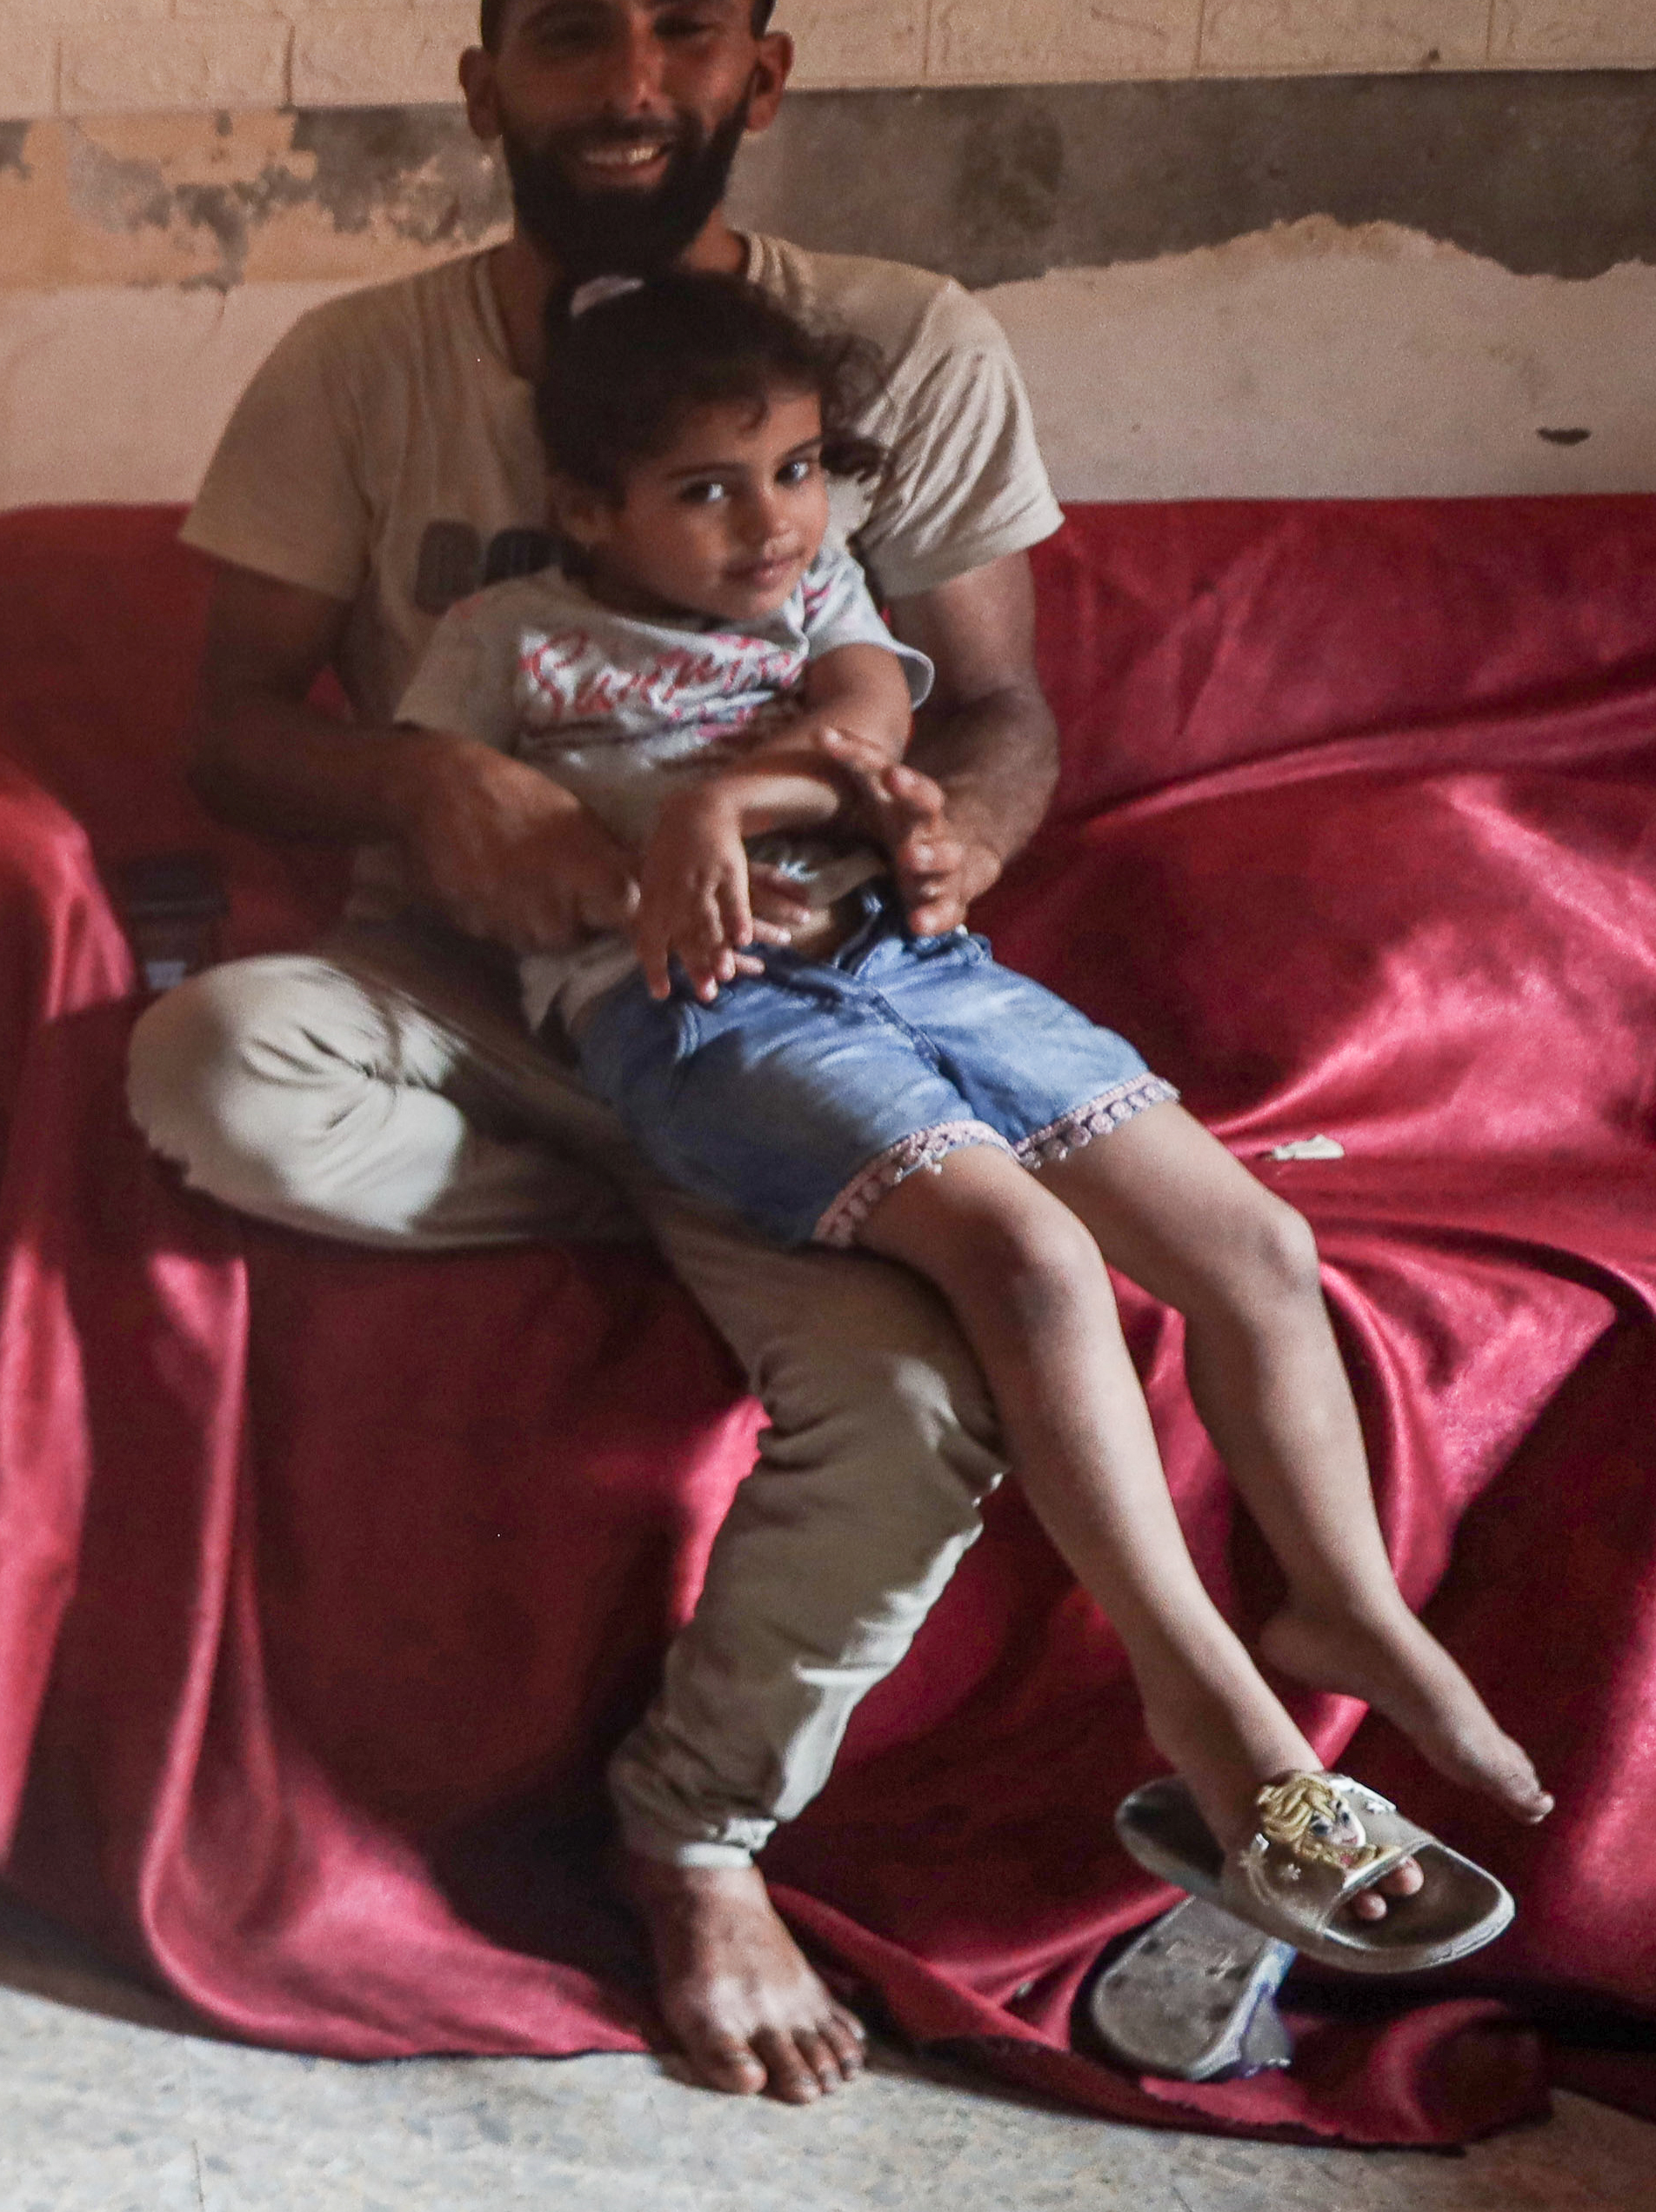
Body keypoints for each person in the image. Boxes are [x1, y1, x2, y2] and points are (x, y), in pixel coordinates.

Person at [127, 0, 1074, 2105]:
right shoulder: (358, 366)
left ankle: (698, 1830)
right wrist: (423, 787)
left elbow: (1005, 710)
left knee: (925, 1404)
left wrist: (926, 867)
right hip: (485, 1016)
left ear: (763, 68)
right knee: (209, 1067)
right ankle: (692, 1204)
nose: (626, 74)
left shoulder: (902, 345)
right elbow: (231, 728)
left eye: (682, 23)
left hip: (782, 1011)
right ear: (482, 87)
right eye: (571, 32)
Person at [397, 263, 1545, 1970]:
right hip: (700, 1014)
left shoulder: (821, 594)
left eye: (792, 469)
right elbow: (436, 814)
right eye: (705, 488)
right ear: (586, 506)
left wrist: (726, 789)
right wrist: (600, 859)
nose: (769, 520)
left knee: (1251, 1238)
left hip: (918, 967)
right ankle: (1220, 1725)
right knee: (1026, 1259)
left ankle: (1348, 1604)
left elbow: (867, 717)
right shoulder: (507, 641)